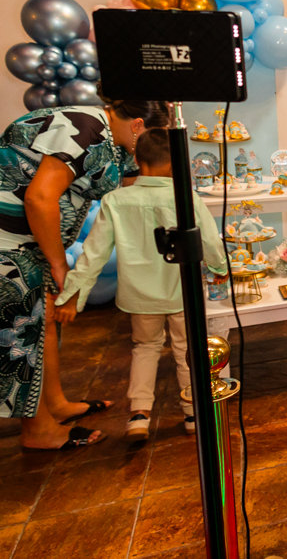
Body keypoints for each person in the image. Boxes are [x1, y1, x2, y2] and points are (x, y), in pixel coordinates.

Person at [0, 95, 169, 450]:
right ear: (138, 125)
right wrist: (59, 262)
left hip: (34, 241)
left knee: (45, 322)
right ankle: (38, 430)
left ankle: (55, 404)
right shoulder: (84, 126)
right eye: (152, 135)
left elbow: (136, 189)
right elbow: (39, 198)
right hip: (9, 240)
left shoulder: (118, 143)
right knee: (23, 330)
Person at [53, 129, 228, 441]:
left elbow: (93, 254)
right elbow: (210, 241)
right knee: (187, 350)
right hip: (181, 292)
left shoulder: (115, 200)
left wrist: (72, 297)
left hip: (139, 294)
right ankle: (193, 414)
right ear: (176, 163)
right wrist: (220, 268)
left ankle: (139, 415)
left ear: (137, 159)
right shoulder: (186, 198)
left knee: (145, 348)